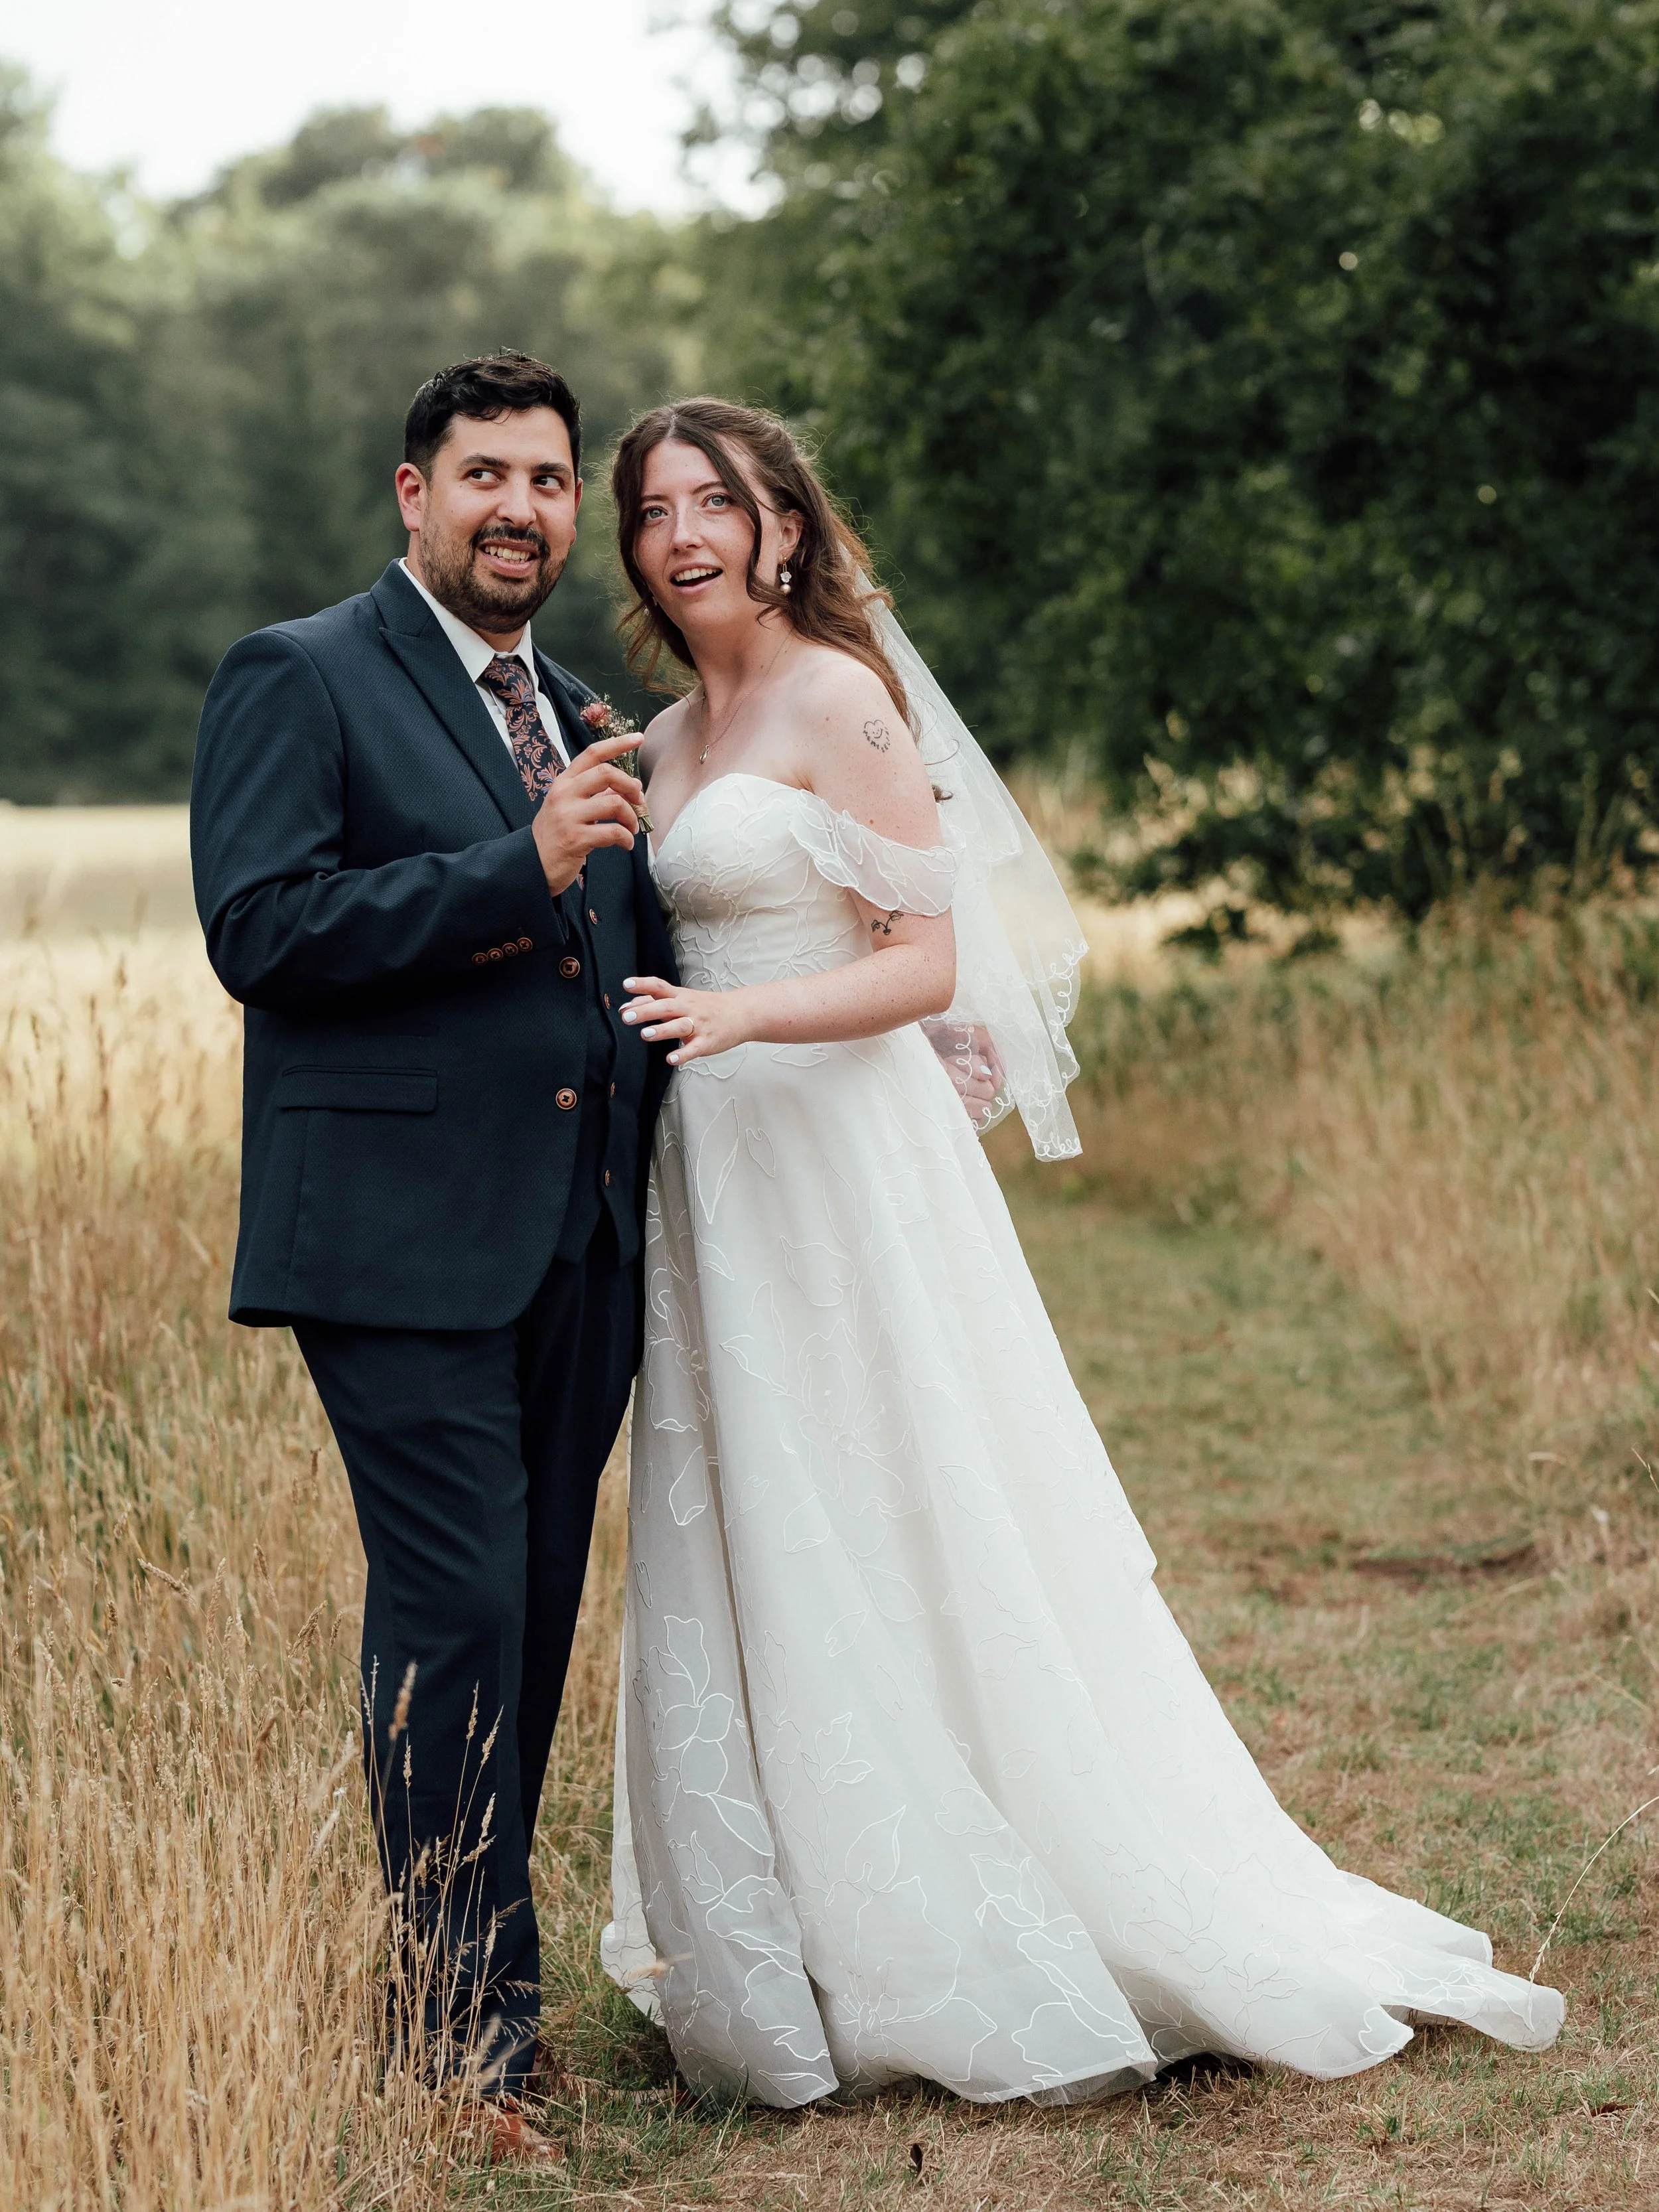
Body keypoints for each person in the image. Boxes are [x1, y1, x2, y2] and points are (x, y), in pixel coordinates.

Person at [599, 398, 1565, 2106]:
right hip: (720, 1177)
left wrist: (744, 1011)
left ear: (784, 529)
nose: (684, 533)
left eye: (716, 503)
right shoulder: (667, 738)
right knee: (769, 1510)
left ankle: (1022, 1908)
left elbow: (917, 961)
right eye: (657, 506)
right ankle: (819, 1926)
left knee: (905, 1490)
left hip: (840, 1154)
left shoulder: (840, 697)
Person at [190, 352, 674, 2165]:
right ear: (413, 493)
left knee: (531, 1617)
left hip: (576, 1242)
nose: (520, 510)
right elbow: (263, 928)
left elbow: (609, 970)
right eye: (485, 475)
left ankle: (493, 2007)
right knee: (453, 1611)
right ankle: (446, 2055)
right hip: (392, 1245)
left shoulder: (576, 699)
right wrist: (514, 861)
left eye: (550, 482)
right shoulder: (299, 673)